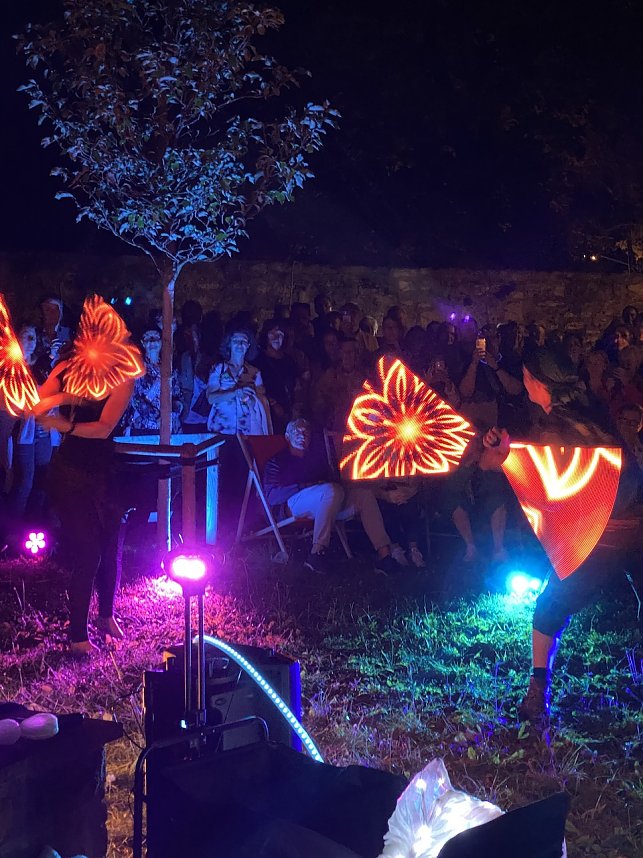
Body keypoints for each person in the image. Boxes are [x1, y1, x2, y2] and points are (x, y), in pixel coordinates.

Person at [517, 348, 636, 722]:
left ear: (539, 382)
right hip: (636, 513)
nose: (523, 383)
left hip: (605, 528)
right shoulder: (590, 408)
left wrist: (505, 458)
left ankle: (537, 692)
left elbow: (552, 484)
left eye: (526, 376)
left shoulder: (556, 425)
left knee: (549, 606)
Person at [32, 352, 136, 657]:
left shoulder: (121, 376)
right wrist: (62, 397)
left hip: (104, 472)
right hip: (69, 473)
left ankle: (106, 616)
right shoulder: (67, 368)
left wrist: (65, 425)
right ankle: (77, 635)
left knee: (111, 545)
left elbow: (104, 427)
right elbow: (36, 405)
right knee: (89, 551)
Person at [263, 418, 405, 575]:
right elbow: (272, 495)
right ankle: (316, 554)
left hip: (325, 500)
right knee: (331, 490)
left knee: (363, 495)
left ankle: (385, 556)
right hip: (291, 504)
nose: (302, 436)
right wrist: (306, 486)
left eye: (306, 433)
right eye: (297, 432)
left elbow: (331, 482)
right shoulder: (277, 461)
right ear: (287, 437)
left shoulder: (314, 459)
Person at [9, 325, 54, 524]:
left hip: (43, 429)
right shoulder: (10, 366)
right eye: (26, 337)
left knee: (43, 479)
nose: (31, 342)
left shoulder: (41, 366)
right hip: (22, 429)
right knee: (25, 480)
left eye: (33, 338)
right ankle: (13, 526)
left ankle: (34, 525)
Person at [206, 329, 270, 436]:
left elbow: (261, 402)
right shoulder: (219, 368)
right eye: (236, 341)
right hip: (220, 429)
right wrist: (235, 393)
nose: (240, 344)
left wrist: (250, 398)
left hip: (246, 431)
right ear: (229, 344)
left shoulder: (255, 372)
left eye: (244, 341)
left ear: (248, 346)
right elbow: (211, 398)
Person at [124, 328, 183, 435]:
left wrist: (169, 417)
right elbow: (134, 399)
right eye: (147, 338)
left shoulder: (170, 368)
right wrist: (156, 417)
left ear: (161, 342)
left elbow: (178, 397)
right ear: (142, 343)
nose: (152, 342)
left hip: (168, 427)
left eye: (156, 337)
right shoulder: (136, 367)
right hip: (142, 426)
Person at [254, 319, 299, 433]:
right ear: (265, 335)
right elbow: (256, 389)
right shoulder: (258, 362)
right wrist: (274, 405)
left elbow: (296, 385)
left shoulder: (289, 361)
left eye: (280, 333)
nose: (276, 337)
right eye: (272, 333)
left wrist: (295, 407)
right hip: (268, 415)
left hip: (289, 413)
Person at [38, 295, 71, 366]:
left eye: (56, 310)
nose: (52, 313)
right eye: (48, 310)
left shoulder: (69, 333)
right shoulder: (36, 335)